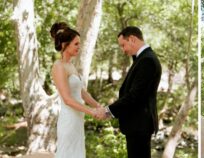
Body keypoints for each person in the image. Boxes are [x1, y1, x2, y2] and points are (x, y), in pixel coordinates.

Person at [99, 26, 162, 158]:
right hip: (137, 125)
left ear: (132, 39)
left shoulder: (147, 60)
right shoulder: (142, 58)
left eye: (123, 45)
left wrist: (108, 111)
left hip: (139, 125)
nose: (123, 50)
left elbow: (134, 96)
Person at [50, 22, 104, 158]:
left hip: (78, 120)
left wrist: (99, 107)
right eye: (76, 44)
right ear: (64, 45)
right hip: (68, 120)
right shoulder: (58, 66)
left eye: (79, 44)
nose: (79, 47)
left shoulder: (71, 66)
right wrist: (91, 112)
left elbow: (82, 93)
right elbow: (67, 100)